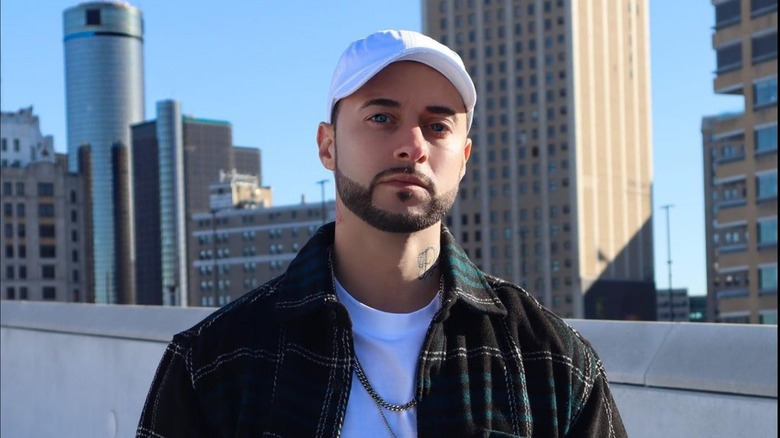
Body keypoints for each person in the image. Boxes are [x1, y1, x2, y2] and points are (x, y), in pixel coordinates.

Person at [137, 29, 627, 438]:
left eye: (437, 126)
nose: (411, 146)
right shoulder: (217, 362)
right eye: (381, 118)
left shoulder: (548, 359)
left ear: (464, 159)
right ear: (327, 146)